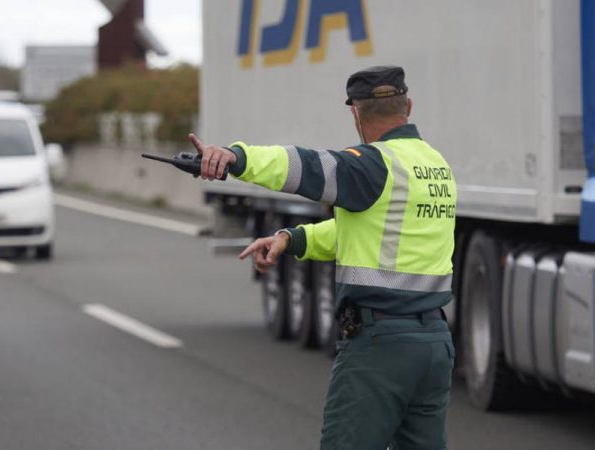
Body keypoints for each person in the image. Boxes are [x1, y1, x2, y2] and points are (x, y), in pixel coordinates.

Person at [188, 66, 457, 450]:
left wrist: (236, 158)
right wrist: (292, 238)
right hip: (433, 344)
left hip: (380, 347)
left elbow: (302, 166)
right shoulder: (436, 166)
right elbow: (370, 233)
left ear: (355, 114)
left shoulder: (371, 164)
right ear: (408, 106)